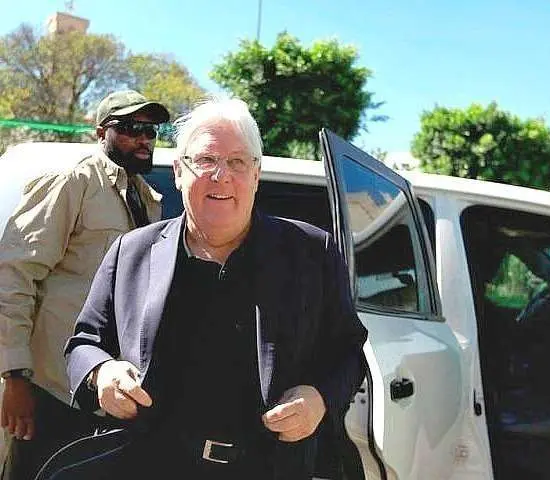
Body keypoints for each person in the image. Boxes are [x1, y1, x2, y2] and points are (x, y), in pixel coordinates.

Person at [64, 98, 368, 479]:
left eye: (238, 162)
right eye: (206, 160)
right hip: (148, 463)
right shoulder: (133, 250)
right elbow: (83, 342)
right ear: (179, 171)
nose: (221, 176)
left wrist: (319, 398)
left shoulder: (312, 252)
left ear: (256, 174)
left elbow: (348, 351)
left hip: (270, 468)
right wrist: (102, 373)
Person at [0, 90, 169, 479]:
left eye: (150, 130)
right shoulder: (72, 182)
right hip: (49, 391)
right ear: (100, 132)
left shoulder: (149, 200)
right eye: (129, 128)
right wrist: (15, 378)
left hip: (104, 393)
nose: (143, 138)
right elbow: (14, 275)